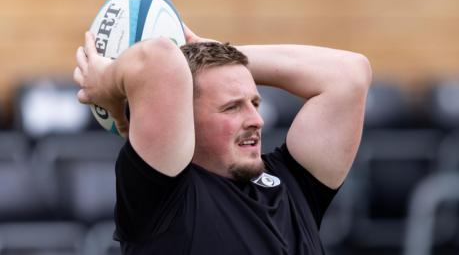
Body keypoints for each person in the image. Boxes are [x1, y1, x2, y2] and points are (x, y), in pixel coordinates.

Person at [73, 25, 371, 255]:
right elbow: (157, 58)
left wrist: (224, 55)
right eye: (232, 107)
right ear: (184, 119)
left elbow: (349, 74)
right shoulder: (167, 199)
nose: (257, 120)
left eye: (255, 103)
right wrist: (108, 82)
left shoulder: (292, 184)